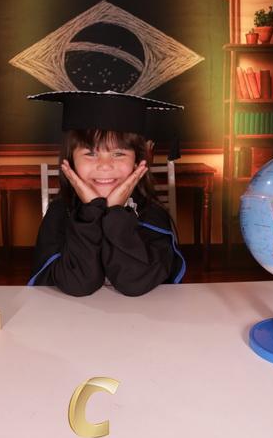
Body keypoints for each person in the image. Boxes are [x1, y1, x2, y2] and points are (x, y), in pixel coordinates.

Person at [27, 91, 186, 296]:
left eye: (118, 153)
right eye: (90, 153)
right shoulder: (59, 213)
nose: (104, 165)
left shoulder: (152, 214)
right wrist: (91, 212)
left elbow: (135, 283)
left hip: (141, 315)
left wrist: (115, 212)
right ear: (71, 161)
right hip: (71, 314)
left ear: (137, 162)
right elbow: (78, 284)